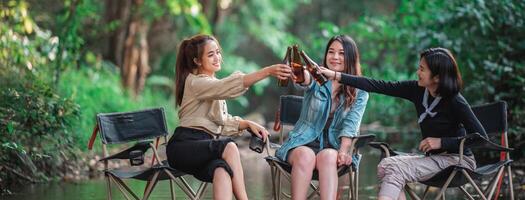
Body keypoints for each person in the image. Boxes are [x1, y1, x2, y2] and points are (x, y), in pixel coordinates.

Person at [320, 47, 486, 200]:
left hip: (458, 161)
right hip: (435, 160)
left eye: (422, 69)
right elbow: (377, 85)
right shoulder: (417, 90)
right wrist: (335, 75)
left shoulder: (455, 100)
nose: (417, 72)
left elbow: (481, 138)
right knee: (386, 164)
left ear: (437, 77)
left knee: (397, 169)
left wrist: (442, 142)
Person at [166, 34, 291, 200]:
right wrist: (268, 71)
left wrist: (246, 124)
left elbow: (221, 122)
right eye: (211, 55)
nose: (217, 57)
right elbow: (226, 86)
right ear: (197, 61)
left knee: (222, 170)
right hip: (184, 146)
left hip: (204, 146)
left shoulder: (211, 86)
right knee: (230, 147)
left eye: (218, 52)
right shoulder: (195, 82)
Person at [275, 35, 369, 200]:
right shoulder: (317, 77)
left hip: (334, 146)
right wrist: (299, 72)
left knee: (329, 157)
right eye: (331, 52)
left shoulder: (360, 90)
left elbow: (351, 123)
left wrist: (344, 150)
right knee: (306, 155)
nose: (335, 57)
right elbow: (305, 78)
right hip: (301, 142)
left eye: (341, 53)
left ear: (351, 58)